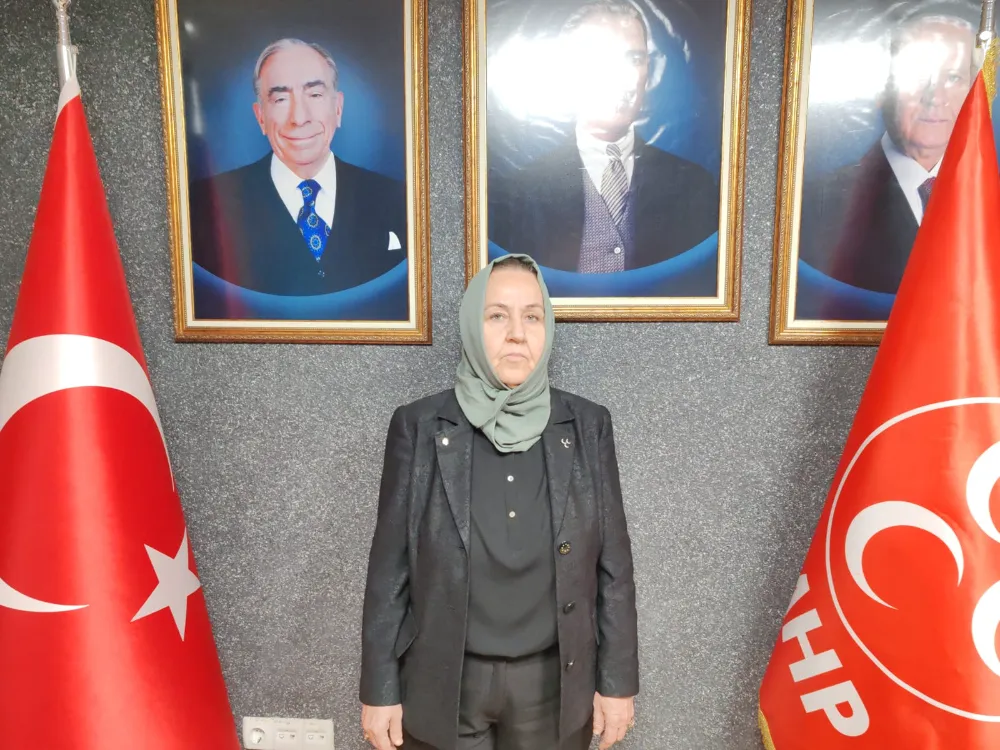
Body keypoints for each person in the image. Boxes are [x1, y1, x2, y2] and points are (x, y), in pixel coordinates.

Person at [359, 254, 639, 750]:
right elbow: (389, 570)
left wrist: (616, 683)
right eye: (497, 316)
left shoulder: (588, 425)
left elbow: (614, 566)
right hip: (446, 682)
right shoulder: (418, 426)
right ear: (472, 325)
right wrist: (379, 690)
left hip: (553, 685)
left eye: (532, 316)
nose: (516, 334)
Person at [489, 1, 718, 276]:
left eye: (634, 60)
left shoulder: (695, 186)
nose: (620, 78)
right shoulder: (519, 195)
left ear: (647, 72)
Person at [189, 38, 407, 296]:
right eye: (281, 99)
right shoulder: (205, 204)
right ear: (260, 117)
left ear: (338, 108)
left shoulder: (395, 198)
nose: (299, 118)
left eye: (315, 95)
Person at [798, 2, 977, 294]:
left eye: (954, 78)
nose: (935, 97)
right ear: (882, 88)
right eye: (917, 76)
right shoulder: (816, 207)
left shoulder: (990, 197)